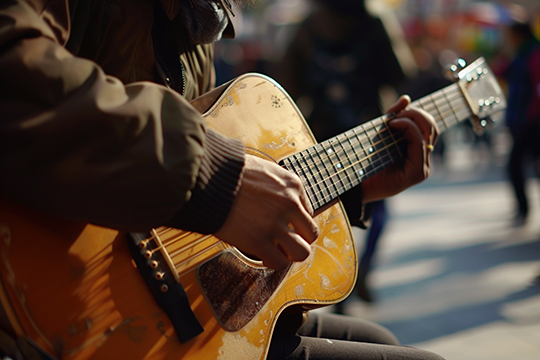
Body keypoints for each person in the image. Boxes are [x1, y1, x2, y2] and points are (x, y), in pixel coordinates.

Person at [0, 1, 442, 359]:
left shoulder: (200, 16)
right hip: (57, 307)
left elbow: (200, 233)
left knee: (380, 341)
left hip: (173, 316)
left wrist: (349, 186)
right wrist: (215, 178)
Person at [271, 0, 406, 306]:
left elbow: (288, 84)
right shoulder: (375, 21)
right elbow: (399, 73)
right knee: (379, 211)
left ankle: (340, 283)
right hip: (371, 138)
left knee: (333, 217)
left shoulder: (307, 26)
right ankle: (364, 269)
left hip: (324, 138)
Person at [501, 20, 540, 226]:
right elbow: (501, 73)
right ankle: (522, 210)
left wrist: (530, 117)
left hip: (531, 122)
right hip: (522, 121)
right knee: (521, 166)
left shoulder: (534, 54)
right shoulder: (519, 55)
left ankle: (523, 210)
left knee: (516, 165)